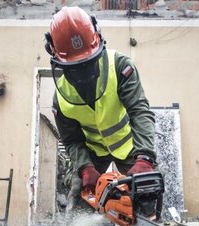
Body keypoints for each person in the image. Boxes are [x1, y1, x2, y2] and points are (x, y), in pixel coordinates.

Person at [44, 6, 156, 210]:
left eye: (87, 64)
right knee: (79, 200)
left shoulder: (121, 67)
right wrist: (85, 167)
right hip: (92, 153)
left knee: (147, 191)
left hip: (130, 146)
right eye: (74, 68)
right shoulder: (60, 99)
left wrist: (145, 157)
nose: (82, 73)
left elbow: (139, 112)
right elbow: (72, 141)